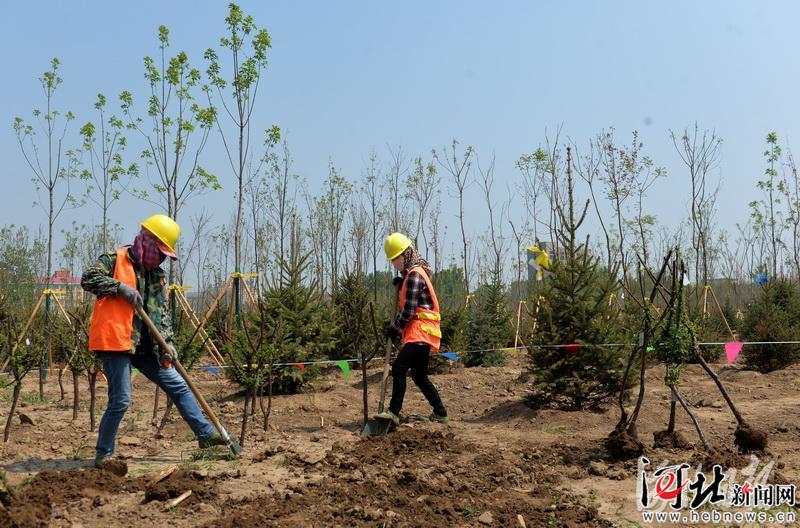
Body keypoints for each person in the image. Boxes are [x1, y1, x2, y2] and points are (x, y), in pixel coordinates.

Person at [81, 214, 225, 467]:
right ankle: (104, 454)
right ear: (146, 240)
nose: (160, 258)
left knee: (179, 387)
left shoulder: (156, 275)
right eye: (158, 251)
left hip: (147, 346)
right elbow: (88, 279)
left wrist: (169, 343)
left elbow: (161, 314)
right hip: (117, 342)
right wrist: (119, 288)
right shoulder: (113, 260)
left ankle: (206, 435)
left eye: (164, 255)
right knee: (121, 399)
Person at [376, 232, 448, 425]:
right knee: (418, 375)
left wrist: (395, 328)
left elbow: (408, 311)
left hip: (421, 332)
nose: (394, 264)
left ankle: (393, 412)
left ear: (404, 255)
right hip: (424, 333)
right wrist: (401, 284)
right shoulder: (414, 273)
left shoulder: (414, 275)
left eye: (394, 259)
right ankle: (440, 413)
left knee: (399, 368)